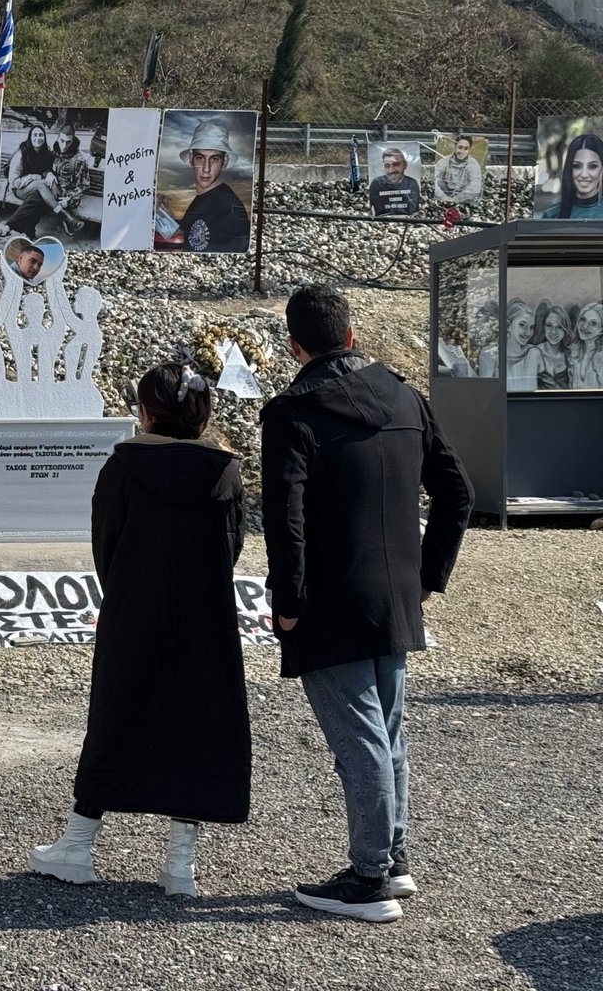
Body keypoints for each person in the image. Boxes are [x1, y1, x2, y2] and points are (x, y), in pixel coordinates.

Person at [261, 285, 472, 923]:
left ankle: (370, 878)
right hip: (396, 598)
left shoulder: (292, 412)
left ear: (295, 346)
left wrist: (289, 601)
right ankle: (394, 858)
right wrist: (429, 574)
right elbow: (457, 493)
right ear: (351, 336)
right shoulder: (406, 397)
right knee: (387, 734)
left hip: (329, 600)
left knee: (360, 742)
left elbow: (285, 519)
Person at [31, 362, 247, 897]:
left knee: (115, 715)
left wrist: (127, 587)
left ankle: (78, 846)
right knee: (195, 723)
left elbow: (106, 542)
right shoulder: (226, 473)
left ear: (146, 411)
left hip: (135, 608)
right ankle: (180, 866)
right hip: (206, 612)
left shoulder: (123, 467)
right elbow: (233, 546)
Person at [173, 122, 251, 252]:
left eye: (214, 159)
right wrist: (163, 216)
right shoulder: (204, 199)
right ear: (191, 159)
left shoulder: (228, 206)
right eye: (200, 158)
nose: (206, 168)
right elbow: (188, 232)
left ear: (224, 162)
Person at [536, 133, 603, 220]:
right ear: (569, 169)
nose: (584, 175)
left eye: (592, 166)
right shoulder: (552, 215)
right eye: (577, 166)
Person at [368, 147, 422, 217]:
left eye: (396, 164)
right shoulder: (377, 183)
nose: (391, 170)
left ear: (404, 165)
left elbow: (413, 213)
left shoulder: (412, 184)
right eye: (387, 166)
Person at [432, 135, 483, 205]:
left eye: (466, 149)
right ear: (455, 147)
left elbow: (475, 186)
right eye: (460, 147)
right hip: (444, 195)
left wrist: (456, 199)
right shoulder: (444, 161)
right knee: (438, 181)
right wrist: (442, 196)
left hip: (463, 197)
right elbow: (433, 180)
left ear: (469, 150)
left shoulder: (473, 164)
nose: (462, 151)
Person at [534, 302, 571, 390]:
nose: (553, 331)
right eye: (549, 325)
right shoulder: (533, 352)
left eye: (559, 327)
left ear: (565, 330)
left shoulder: (570, 355)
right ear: (544, 327)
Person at [569, 302, 603, 389]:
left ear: (601, 331)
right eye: (583, 319)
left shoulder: (601, 356)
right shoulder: (574, 352)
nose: (585, 326)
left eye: (593, 323)